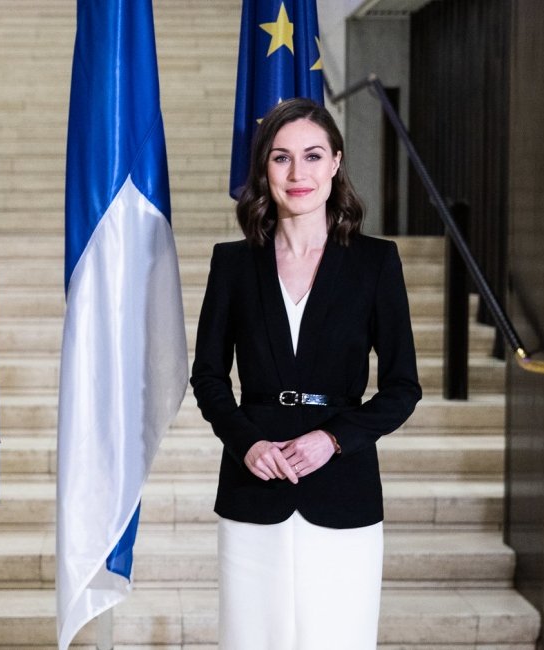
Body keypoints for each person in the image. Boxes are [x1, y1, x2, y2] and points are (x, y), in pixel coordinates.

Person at [190, 98, 422, 649]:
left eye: (313, 156)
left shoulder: (375, 262)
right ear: (263, 169)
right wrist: (247, 443)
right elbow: (208, 378)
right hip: (254, 486)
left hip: (343, 490)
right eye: (281, 158)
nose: (298, 174)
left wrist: (334, 439)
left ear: (336, 163)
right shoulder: (233, 263)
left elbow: (402, 387)